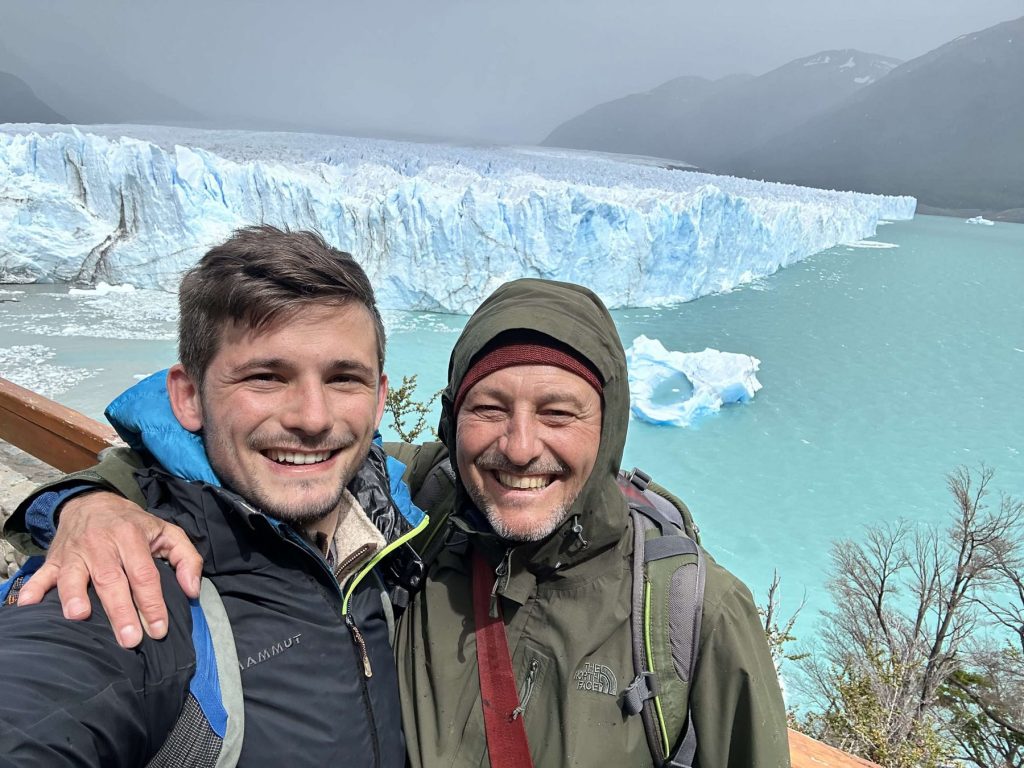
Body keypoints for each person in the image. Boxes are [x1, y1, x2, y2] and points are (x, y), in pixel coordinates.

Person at [7, 278, 791, 766]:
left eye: (560, 412)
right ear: (453, 423)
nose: (520, 447)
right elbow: (226, 454)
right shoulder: (429, 509)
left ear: (609, 429)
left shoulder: (691, 614)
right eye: (489, 408)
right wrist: (89, 502)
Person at [0, 225, 418, 767]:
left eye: (344, 378)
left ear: (379, 397)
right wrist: (86, 504)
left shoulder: (391, 531)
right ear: (189, 396)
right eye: (266, 376)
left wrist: (78, 495)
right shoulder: (134, 580)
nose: (313, 418)